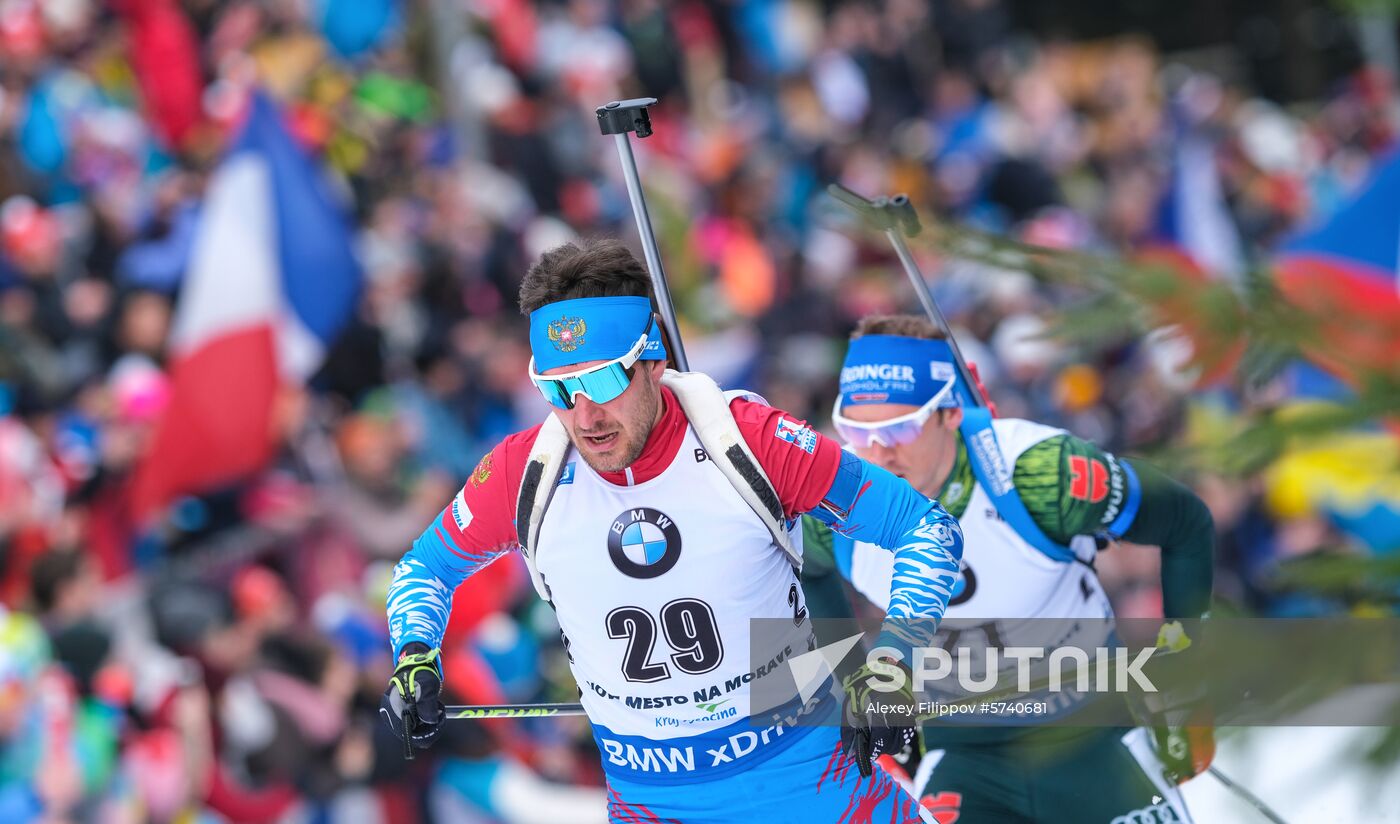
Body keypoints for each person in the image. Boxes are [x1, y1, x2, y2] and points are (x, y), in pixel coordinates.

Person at [380, 239, 964, 822]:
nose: (586, 417)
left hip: (809, 783)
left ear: (654, 360)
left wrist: (892, 663)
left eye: (605, 382)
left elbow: (925, 531)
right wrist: (414, 658)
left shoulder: (748, 441)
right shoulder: (522, 473)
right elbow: (424, 570)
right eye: (558, 389)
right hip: (653, 802)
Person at [803, 314, 1215, 824]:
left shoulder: (1038, 471)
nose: (879, 453)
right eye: (856, 431)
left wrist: (1185, 678)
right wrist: (859, 695)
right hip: (966, 754)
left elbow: (1185, 522)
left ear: (951, 412)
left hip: (1094, 734)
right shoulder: (835, 498)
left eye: (902, 427)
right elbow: (812, 575)